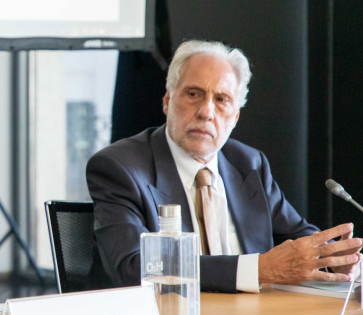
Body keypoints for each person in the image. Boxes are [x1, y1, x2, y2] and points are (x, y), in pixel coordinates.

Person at [88, 40, 362, 293]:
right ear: (168, 101)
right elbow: (132, 268)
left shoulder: (249, 164)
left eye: (221, 100)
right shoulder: (120, 168)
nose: (206, 112)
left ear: (235, 116)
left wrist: (332, 259)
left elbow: (297, 237)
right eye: (193, 94)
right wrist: (257, 270)